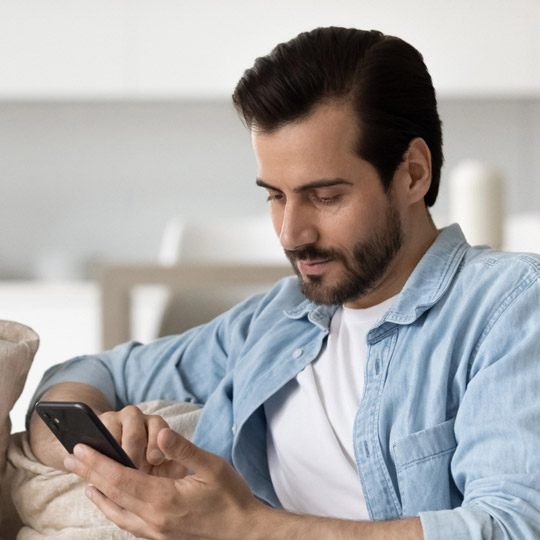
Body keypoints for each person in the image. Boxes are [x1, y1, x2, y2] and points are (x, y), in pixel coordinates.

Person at [28, 27, 540, 539]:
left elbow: (513, 527)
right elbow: (86, 374)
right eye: (275, 195)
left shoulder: (509, 307)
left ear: (412, 174)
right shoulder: (280, 318)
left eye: (325, 196)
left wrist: (246, 527)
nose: (292, 234)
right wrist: (102, 439)